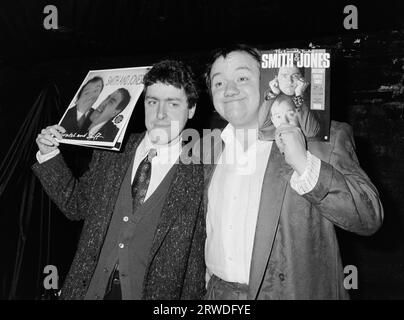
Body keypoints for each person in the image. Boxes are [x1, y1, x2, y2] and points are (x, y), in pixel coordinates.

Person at [201, 44, 383, 299]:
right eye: (218, 83)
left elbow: (369, 217)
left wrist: (304, 164)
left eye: (242, 78)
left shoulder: (321, 139)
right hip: (217, 295)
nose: (229, 90)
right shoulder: (210, 148)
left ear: (268, 81)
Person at [32, 60, 206, 300]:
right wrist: (49, 153)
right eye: (152, 102)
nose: (160, 114)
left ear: (191, 109)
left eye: (173, 104)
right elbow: (76, 205)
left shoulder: (202, 172)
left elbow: (198, 262)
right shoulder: (112, 152)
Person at [263, 64, 320, 138]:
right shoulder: (271, 93)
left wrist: (299, 95)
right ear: (276, 78)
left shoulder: (313, 93)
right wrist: (273, 93)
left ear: (302, 78)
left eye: (295, 76)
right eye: (284, 76)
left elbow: (310, 132)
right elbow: (261, 125)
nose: (289, 81)